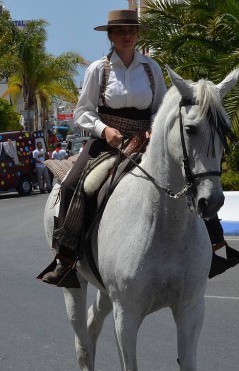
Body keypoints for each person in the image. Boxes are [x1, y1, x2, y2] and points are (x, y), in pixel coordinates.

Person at [39, 9, 167, 286]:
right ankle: (66, 259)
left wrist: (154, 127)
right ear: (110, 35)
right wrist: (104, 130)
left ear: (137, 35)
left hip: (147, 140)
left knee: (190, 174)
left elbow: (161, 108)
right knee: (72, 185)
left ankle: (212, 245)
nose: (126, 35)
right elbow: (82, 112)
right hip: (107, 139)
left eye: (131, 31)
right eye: (120, 31)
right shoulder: (99, 69)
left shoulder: (151, 68)